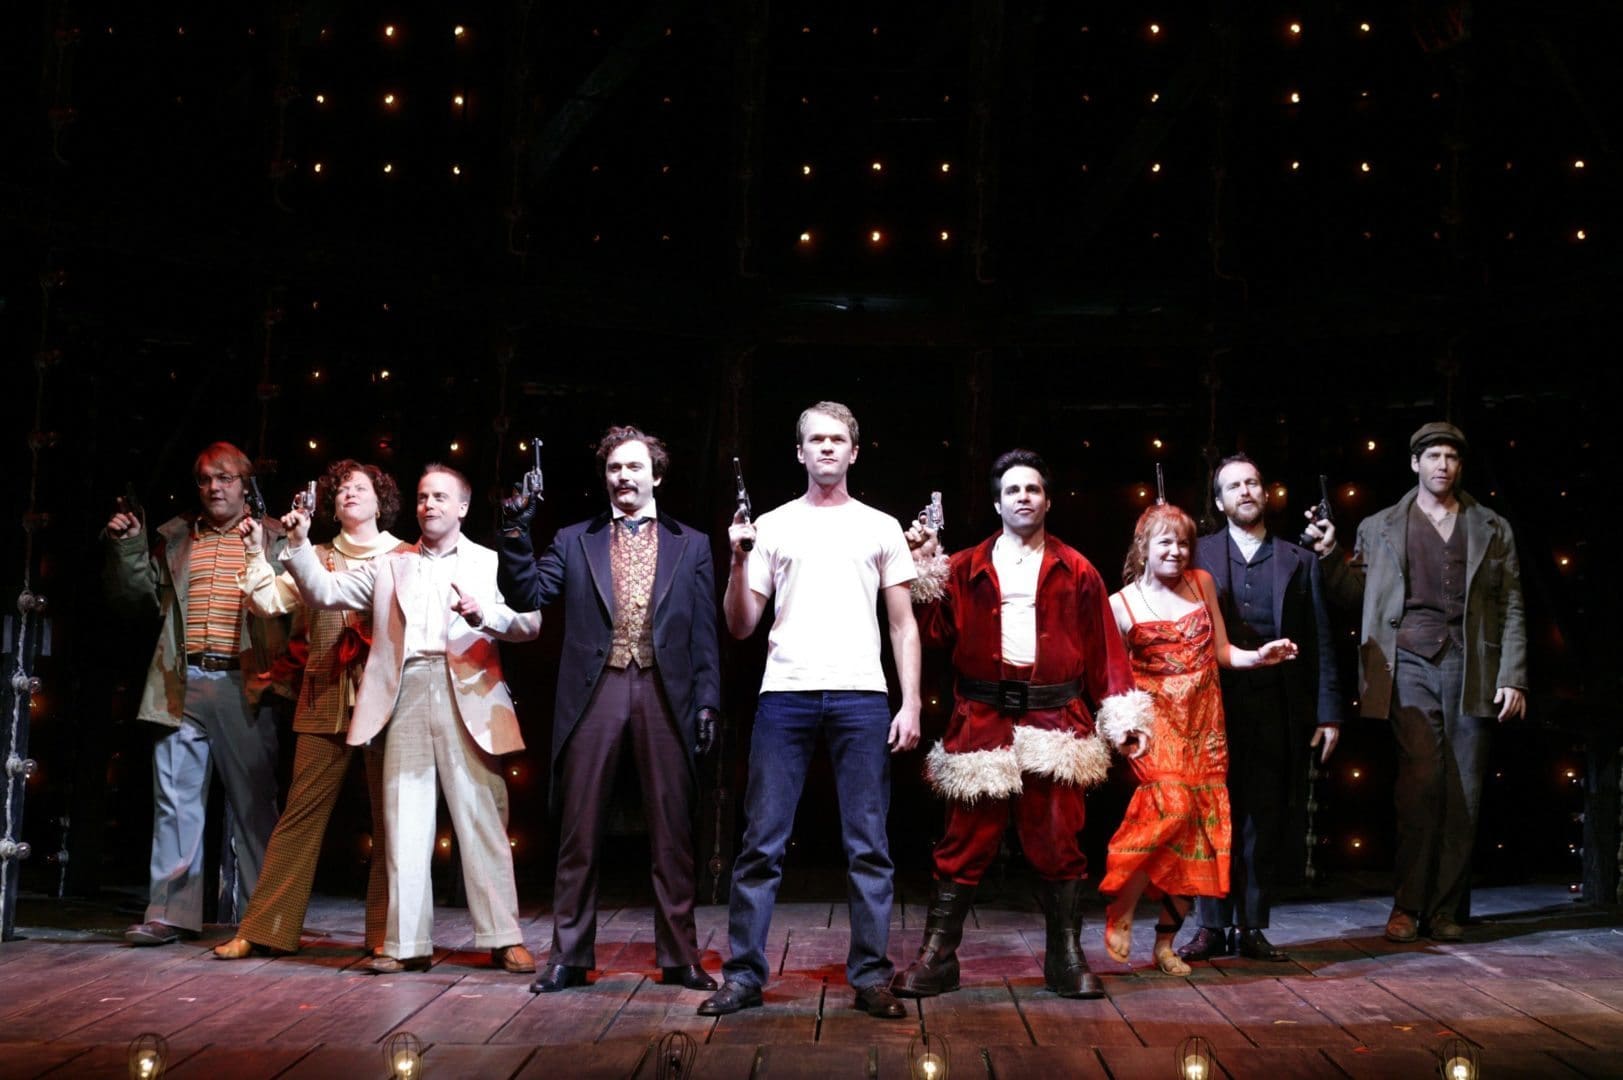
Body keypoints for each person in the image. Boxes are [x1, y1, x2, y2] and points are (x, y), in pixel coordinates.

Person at [892, 450, 1152, 1001]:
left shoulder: (1077, 569)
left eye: (1033, 489)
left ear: (1048, 500)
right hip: (981, 720)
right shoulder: (963, 566)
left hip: (1054, 720)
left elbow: (1105, 651)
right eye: (1013, 490)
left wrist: (1122, 717)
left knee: (1059, 840)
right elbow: (930, 634)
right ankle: (939, 956)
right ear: (997, 502)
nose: (1023, 498)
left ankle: (1065, 955)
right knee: (964, 838)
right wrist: (925, 574)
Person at [699, 401, 921, 1020]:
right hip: (786, 694)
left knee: (869, 844)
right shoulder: (772, 525)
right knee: (761, 844)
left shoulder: (880, 526)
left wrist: (909, 703)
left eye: (837, 439)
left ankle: (871, 975)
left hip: (861, 695)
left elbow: (903, 626)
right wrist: (739, 557)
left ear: (854, 450)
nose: (826, 448)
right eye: (815, 440)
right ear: (800, 453)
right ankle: (743, 975)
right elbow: (741, 626)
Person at [278, 464, 540, 974]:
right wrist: (299, 545)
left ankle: (504, 936)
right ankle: (404, 943)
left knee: (482, 819)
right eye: (423, 497)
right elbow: (325, 592)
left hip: (468, 689)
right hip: (407, 691)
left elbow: (529, 623)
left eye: (441, 497)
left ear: (462, 507)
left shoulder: (487, 562)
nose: (429, 505)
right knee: (404, 821)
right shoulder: (390, 563)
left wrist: (483, 613)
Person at [497, 426, 721, 994]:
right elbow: (528, 595)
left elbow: (703, 633)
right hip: (597, 689)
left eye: (634, 467)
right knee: (579, 829)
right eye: (615, 469)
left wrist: (708, 699)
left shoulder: (691, 543)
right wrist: (516, 532)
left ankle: (679, 956)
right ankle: (569, 957)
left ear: (656, 476)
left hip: (663, 689)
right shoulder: (576, 539)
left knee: (672, 831)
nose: (623, 477)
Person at [1305, 422, 1526, 943]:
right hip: (1407, 666)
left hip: (1472, 666)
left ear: (1460, 466)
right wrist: (1330, 555)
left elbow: (1511, 602)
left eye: (1451, 457)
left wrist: (1513, 675)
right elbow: (1353, 595)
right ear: (1415, 464)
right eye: (1433, 457)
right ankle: (1407, 905)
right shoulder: (1380, 526)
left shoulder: (1492, 527)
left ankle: (1445, 910)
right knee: (1419, 785)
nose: (1442, 466)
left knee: (1464, 790)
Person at [214, 461, 406, 959]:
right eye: (340, 490)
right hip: (325, 695)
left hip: (387, 703)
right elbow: (267, 602)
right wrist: (257, 552)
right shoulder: (313, 555)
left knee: (394, 821)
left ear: (380, 499)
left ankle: (390, 936)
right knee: (299, 816)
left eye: (360, 488)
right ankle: (263, 929)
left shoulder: (404, 556)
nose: (348, 495)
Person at [1099, 503, 1297, 975]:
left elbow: (1223, 652)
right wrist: (1125, 730)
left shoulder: (1202, 584)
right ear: (1143, 547)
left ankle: (1166, 943)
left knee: (1199, 830)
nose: (1176, 550)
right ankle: (1122, 908)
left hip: (1205, 722)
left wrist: (1260, 657)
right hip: (1155, 724)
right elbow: (1112, 679)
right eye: (1165, 541)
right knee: (1171, 807)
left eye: (1184, 542)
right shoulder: (1119, 604)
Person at [104, 441, 289, 946]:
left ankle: (266, 919)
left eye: (224, 478)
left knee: (254, 805)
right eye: (205, 479)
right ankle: (170, 913)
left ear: (245, 483)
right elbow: (137, 602)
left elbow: (300, 607)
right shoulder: (178, 537)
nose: (213, 488)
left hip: (243, 684)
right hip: (180, 682)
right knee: (175, 801)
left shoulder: (273, 539)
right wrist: (129, 547)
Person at [1179, 455, 1341, 963]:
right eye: (1234, 486)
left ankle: (1250, 925)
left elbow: (1320, 639)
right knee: (1211, 814)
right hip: (1214, 702)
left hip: (1277, 703)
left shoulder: (1300, 559)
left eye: (1252, 482)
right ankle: (1209, 926)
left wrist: (1329, 711)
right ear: (1220, 501)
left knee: (1263, 818)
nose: (1245, 491)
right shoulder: (1197, 555)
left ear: (1265, 493)